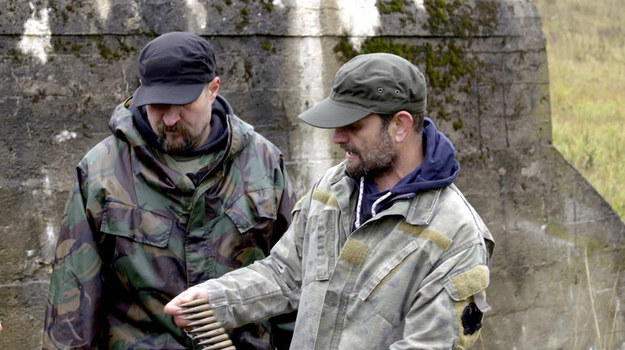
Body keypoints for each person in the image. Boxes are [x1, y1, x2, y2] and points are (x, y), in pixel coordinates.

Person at [165, 52, 495, 349]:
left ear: (400, 125)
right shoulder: (332, 187)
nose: (337, 137)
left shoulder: (456, 234)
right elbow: (284, 274)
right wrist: (213, 300)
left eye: (352, 126)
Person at [42, 31, 296, 349]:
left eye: (183, 103)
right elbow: (73, 299)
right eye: (158, 105)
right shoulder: (102, 170)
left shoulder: (263, 162)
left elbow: (293, 283)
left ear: (213, 90)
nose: (171, 118)